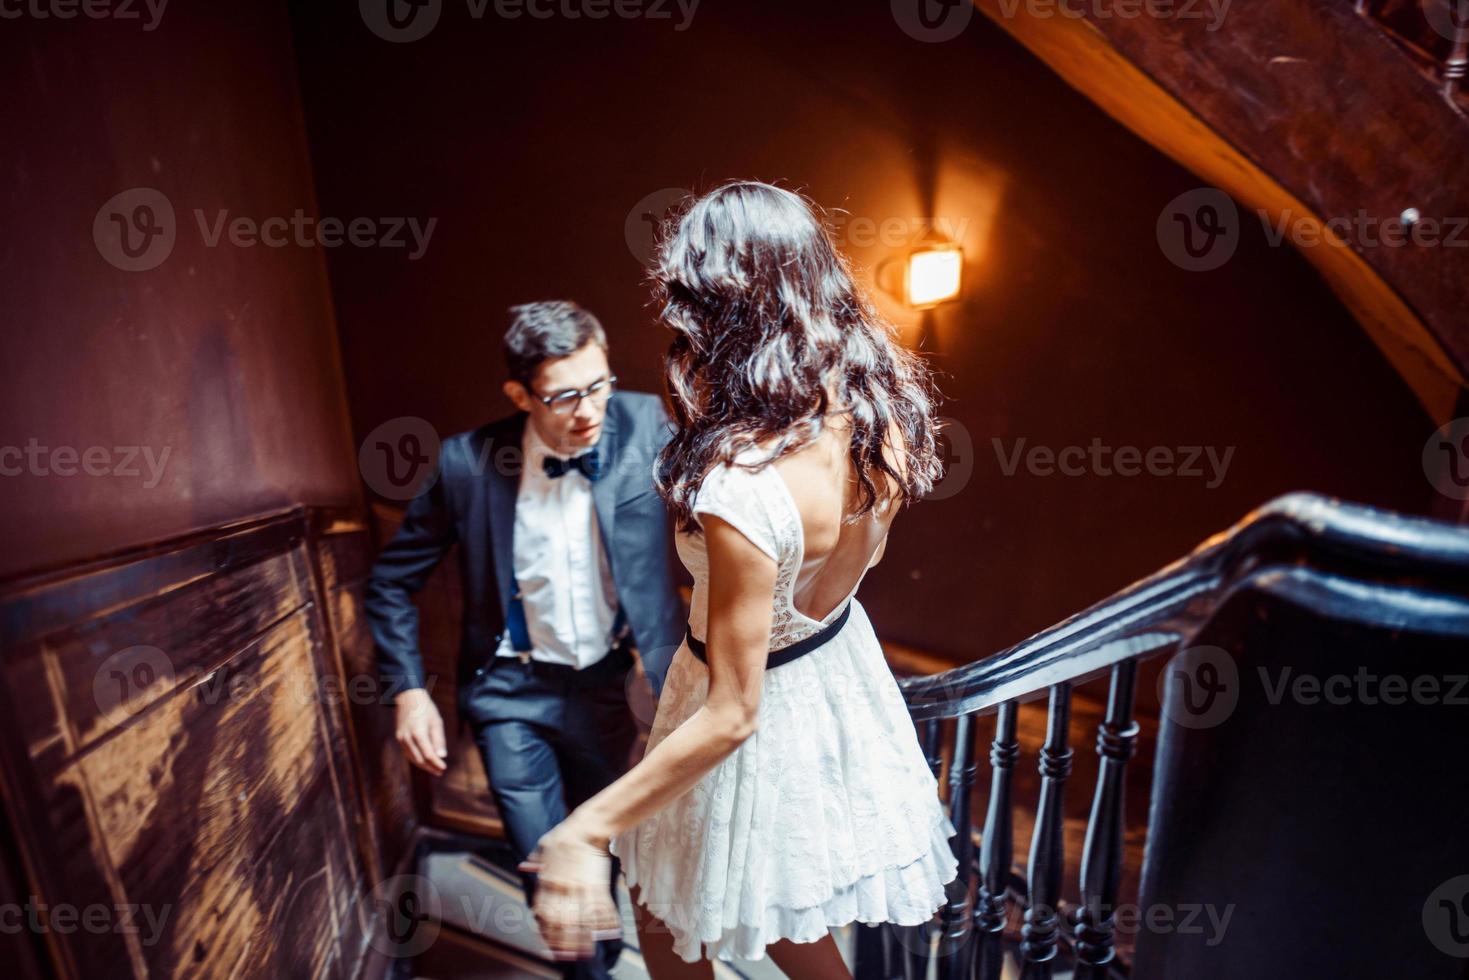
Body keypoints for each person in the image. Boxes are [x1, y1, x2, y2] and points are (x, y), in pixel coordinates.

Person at [518, 182, 959, 978]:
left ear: (718, 307)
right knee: (776, 917)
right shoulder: (874, 408)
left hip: (746, 700)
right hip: (829, 671)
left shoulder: (742, 485)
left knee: (665, 904)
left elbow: (731, 711)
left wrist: (582, 828)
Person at [364, 300, 686, 979]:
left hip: (615, 688)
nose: (588, 409)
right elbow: (391, 583)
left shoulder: (651, 425)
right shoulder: (465, 464)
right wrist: (410, 691)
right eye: (563, 396)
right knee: (548, 865)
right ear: (520, 394)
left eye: (597, 385)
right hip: (509, 694)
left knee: (616, 855)